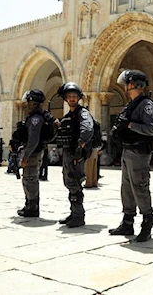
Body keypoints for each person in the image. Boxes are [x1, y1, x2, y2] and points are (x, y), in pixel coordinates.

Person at [108, 70, 153, 242]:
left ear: (135, 85)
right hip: (128, 150)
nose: (126, 87)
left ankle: (147, 222)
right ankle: (128, 222)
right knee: (127, 188)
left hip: (139, 152)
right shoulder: (132, 104)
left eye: (127, 84)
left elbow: (151, 129)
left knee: (140, 187)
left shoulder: (145, 105)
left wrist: (130, 125)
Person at [54, 82, 94, 228]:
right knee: (69, 182)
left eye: (74, 96)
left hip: (76, 154)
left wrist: (80, 146)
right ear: (65, 98)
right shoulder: (70, 115)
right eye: (69, 96)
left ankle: (79, 216)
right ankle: (73, 213)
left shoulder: (82, 113)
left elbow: (87, 129)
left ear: (78, 98)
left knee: (75, 182)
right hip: (68, 153)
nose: (71, 99)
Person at [16, 90, 47, 217]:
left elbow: (33, 140)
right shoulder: (36, 117)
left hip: (33, 153)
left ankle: (33, 207)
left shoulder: (35, 118)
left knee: (30, 179)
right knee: (28, 179)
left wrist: (26, 156)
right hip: (33, 152)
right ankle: (29, 204)